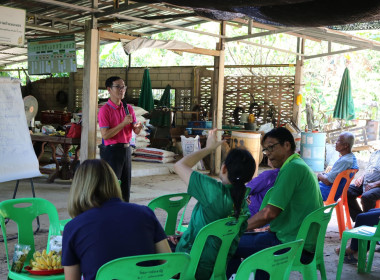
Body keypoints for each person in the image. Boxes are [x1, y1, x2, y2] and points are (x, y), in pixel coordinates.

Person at [227, 127, 323, 279]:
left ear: (287, 145)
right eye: (265, 150)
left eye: (271, 147)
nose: (268, 153)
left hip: (291, 244)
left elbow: (269, 213)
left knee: (227, 244)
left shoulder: (292, 169)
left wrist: (238, 227)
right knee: (251, 238)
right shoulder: (298, 165)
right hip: (300, 240)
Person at [62, 159, 171, 280]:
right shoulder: (145, 214)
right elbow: (169, 266)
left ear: (77, 188)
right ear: (114, 182)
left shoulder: (73, 228)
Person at [172, 128, 256, 280]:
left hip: (189, 266)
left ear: (224, 168)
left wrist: (208, 148)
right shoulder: (243, 203)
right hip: (218, 269)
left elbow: (179, 165)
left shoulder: (213, 191)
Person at [98, 76, 143, 202]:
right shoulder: (104, 110)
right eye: (118, 87)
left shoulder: (128, 108)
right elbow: (105, 135)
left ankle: (124, 213)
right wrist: (123, 124)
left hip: (126, 150)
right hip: (111, 152)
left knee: (125, 187)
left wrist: (138, 127)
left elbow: (135, 130)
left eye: (123, 87)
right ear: (109, 89)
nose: (121, 90)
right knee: (111, 187)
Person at [317, 132, 358, 201]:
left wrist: (320, 175)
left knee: (303, 187)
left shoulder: (345, 161)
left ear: (346, 145)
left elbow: (328, 181)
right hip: (333, 190)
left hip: (328, 192)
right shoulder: (351, 158)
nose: (336, 143)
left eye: (339, 141)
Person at [347, 150, 380, 222]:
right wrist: (361, 177)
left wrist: (375, 184)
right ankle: (359, 219)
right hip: (367, 183)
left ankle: (369, 222)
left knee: (367, 196)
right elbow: (368, 169)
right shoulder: (375, 153)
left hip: (378, 186)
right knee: (346, 191)